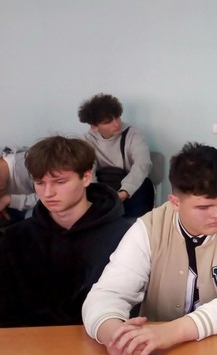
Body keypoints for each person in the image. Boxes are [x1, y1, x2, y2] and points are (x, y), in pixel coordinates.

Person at [82, 142, 217, 355]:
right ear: (175, 203)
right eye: (203, 207)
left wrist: (174, 332)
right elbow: (107, 293)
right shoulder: (148, 227)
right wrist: (116, 336)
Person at [0, 136, 132, 327]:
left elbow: (129, 303)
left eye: (60, 182)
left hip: (100, 336)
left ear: (86, 177)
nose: (48, 193)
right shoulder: (15, 239)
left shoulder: (126, 236)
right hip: (28, 339)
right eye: (40, 183)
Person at [78, 93, 154, 218]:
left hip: (130, 189)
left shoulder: (132, 134)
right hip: (102, 190)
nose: (117, 124)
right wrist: (99, 195)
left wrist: (125, 192)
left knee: (144, 185)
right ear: (94, 127)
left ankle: (133, 226)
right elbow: (89, 172)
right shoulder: (86, 141)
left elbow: (143, 163)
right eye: (108, 122)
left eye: (117, 117)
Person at [0, 150, 38, 224]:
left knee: (30, 216)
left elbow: (51, 197)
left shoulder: (28, 164)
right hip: (19, 205)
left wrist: (8, 200)